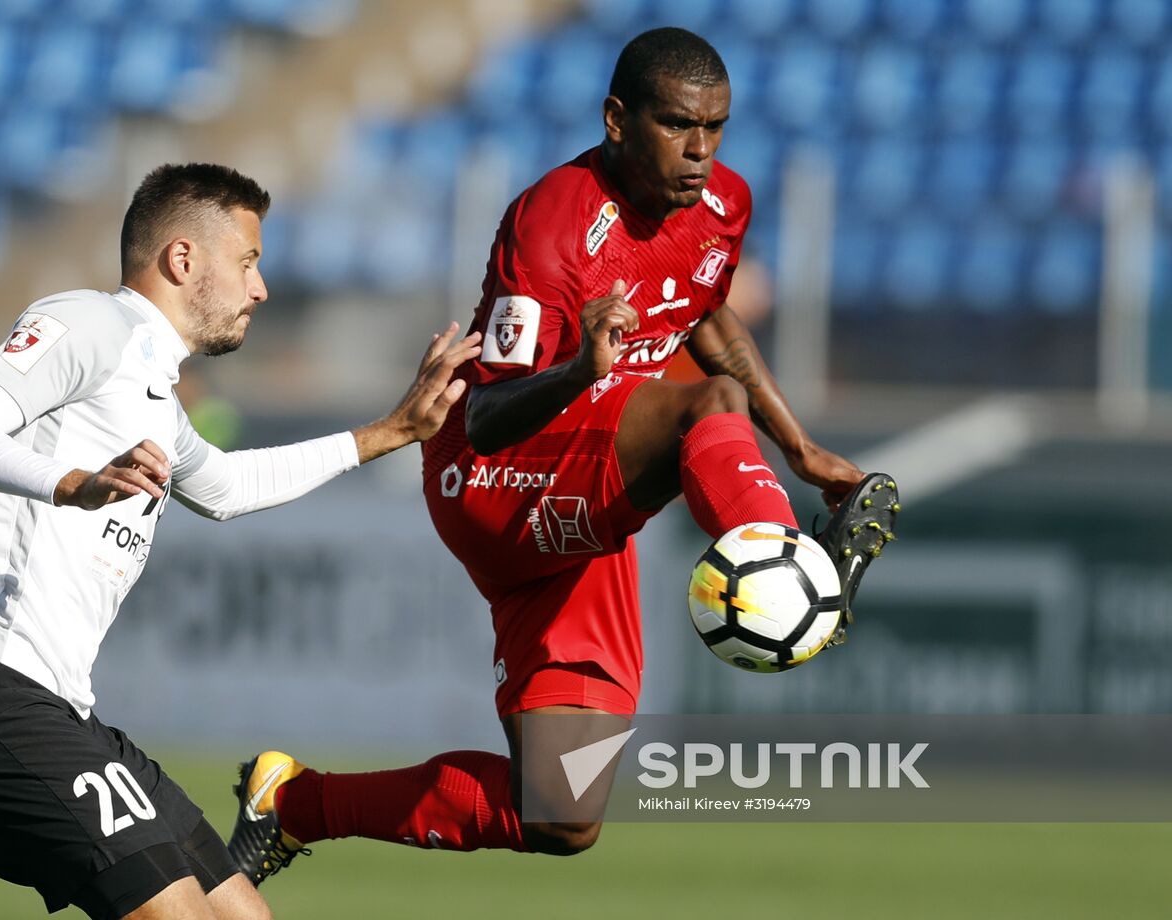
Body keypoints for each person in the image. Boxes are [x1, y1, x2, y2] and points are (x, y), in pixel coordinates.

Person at [226, 28, 900, 879]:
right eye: (677, 124)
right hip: (493, 478)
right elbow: (486, 419)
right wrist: (583, 368)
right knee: (706, 406)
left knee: (561, 812)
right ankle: (788, 569)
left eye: (715, 127)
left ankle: (291, 804)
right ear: (617, 119)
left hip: (583, 507)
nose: (700, 150)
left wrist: (797, 447)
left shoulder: (723, 205)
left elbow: (705, 312)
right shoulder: (554, 221)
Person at [0, 163, 481, 920]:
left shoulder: (156, 398)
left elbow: (228, 488)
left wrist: (391, 432)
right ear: (182, 259)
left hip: (64, 711)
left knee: (242, 914)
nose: (260, 289)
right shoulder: (88, 323)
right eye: (248, 262)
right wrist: (72, 483)